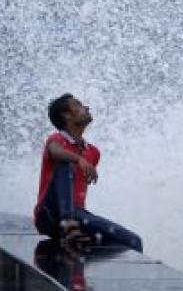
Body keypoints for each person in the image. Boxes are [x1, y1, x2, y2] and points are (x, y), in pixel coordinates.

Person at [33, 93, 143, 252]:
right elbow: (56, 152)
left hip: (77, 215)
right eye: (78, 105)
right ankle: (68, 224)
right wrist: (78, 159)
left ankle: (76, 243)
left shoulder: (93, 152)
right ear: (66, 115)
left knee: (133, 241)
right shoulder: (57, 139)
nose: (86, 107)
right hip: (49, 213)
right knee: (65, 163)